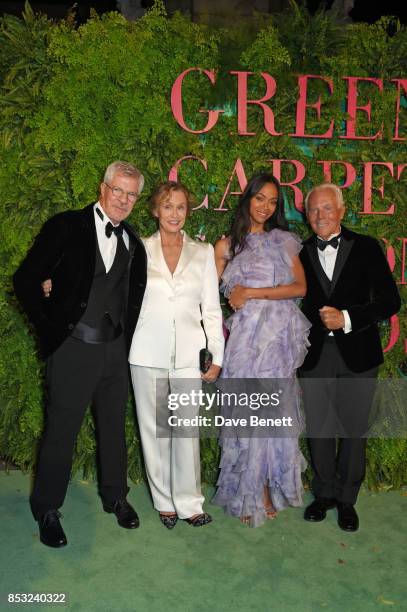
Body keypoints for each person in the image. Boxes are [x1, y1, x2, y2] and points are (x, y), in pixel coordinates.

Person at [13, 161, 147, 547]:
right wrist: (49, 326)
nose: (123, 199)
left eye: (131, 194)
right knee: (61, 432)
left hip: (114, 351)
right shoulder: (66, 225)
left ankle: (115, 496)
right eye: (118, 190)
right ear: (102, 188)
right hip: (73, 349)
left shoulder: (133, 240)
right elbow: (25, 279)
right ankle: (47, 508)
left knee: (113, 429)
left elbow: (131, 296)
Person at [299, 183, 401, 532]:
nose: (320, 215)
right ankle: (324, 494)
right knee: (319, 429)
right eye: (313, 210)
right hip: (314, 356)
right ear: (306, 215)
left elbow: (391, 302)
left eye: (327, 208)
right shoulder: (298, 252)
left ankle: (347, 500)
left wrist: (348, 318)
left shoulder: (367, 247)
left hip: (358, 354)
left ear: (342, 211)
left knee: (354, 430)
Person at [212, 173, 310, 527]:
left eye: (272, 201)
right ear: (247, 199)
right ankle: (245, 489)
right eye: (260, 199)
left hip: (277, 341)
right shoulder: (225, 247)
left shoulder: (284, 241)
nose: (266, 207)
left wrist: (251, 293)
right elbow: (208, 297)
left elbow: (300, 287)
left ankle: (267, 490)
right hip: (243, 342)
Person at [128, 181, 224, 529]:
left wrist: (216, 355)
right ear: (155, 210)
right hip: (145, 351)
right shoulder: (138, 249)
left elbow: (212, 310)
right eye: (167, 206)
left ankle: (189, 502)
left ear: (188, 211)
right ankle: (164, 501)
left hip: (188, 353)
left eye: (181, 207)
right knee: (154, 430)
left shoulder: (202, 252)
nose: (174, 214)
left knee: (185, 430)